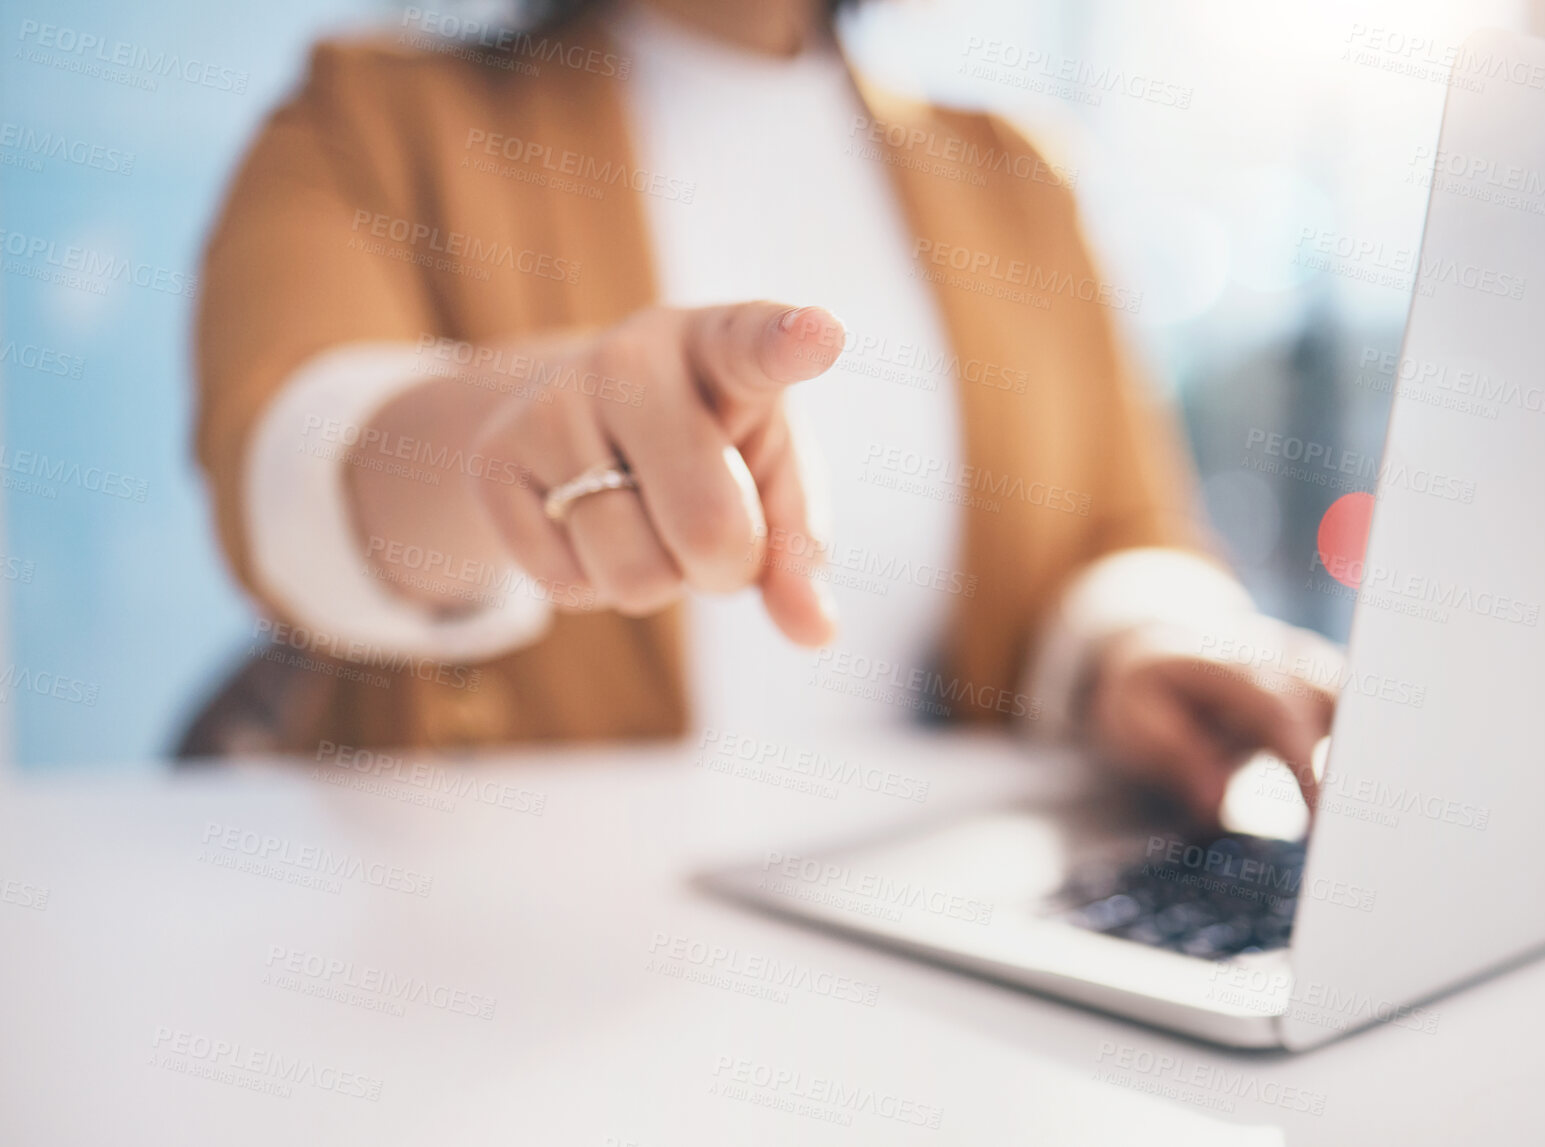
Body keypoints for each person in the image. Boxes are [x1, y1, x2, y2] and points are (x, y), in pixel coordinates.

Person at [188, 0, 1341, 824]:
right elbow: (291, 479)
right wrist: (518, 424)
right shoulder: (372, 113)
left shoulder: (1020, 181)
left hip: (924, 960)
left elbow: (1123, 532)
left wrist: (1136, 644)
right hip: (492, 971)